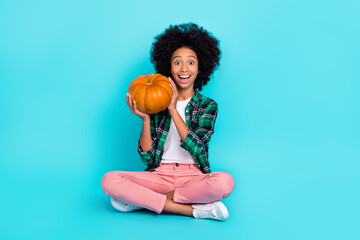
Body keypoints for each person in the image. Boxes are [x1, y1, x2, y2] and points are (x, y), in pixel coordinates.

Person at [101, 23, 235, 221]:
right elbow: (148, 159)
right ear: (169, 68)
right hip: (159, 176)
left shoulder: (208, 105)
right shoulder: (156, 105)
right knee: (109, 180)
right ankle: (191, 210)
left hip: (193, 177)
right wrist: (145, 119)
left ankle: (144, 202)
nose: (184, 68)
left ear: (200, 68)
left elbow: (197, 148)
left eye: (191, 62)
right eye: (177, 62)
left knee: (225, 182)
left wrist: (173, 108)